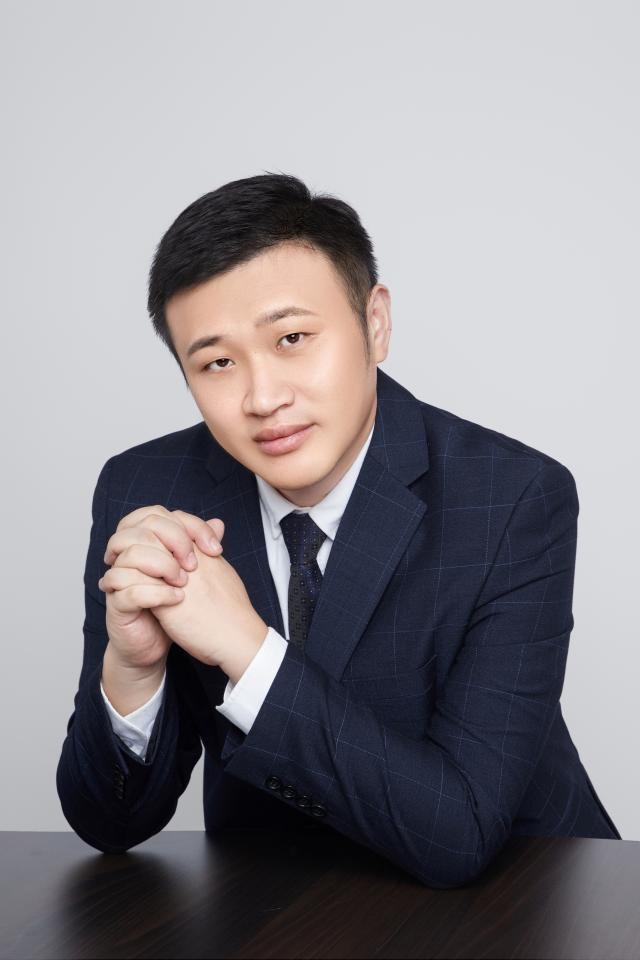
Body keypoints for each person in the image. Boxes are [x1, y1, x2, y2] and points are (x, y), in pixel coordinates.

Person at [56, 172, 621, 889]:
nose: (264, 398)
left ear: (374, 323)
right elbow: (109, 825)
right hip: (273, 902)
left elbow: (459, 833)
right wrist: (134, 670)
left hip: (527, 896)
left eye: (292, 338)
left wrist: (247, 649)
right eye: (218, 362)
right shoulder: (147, 491)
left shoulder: (512, 499)